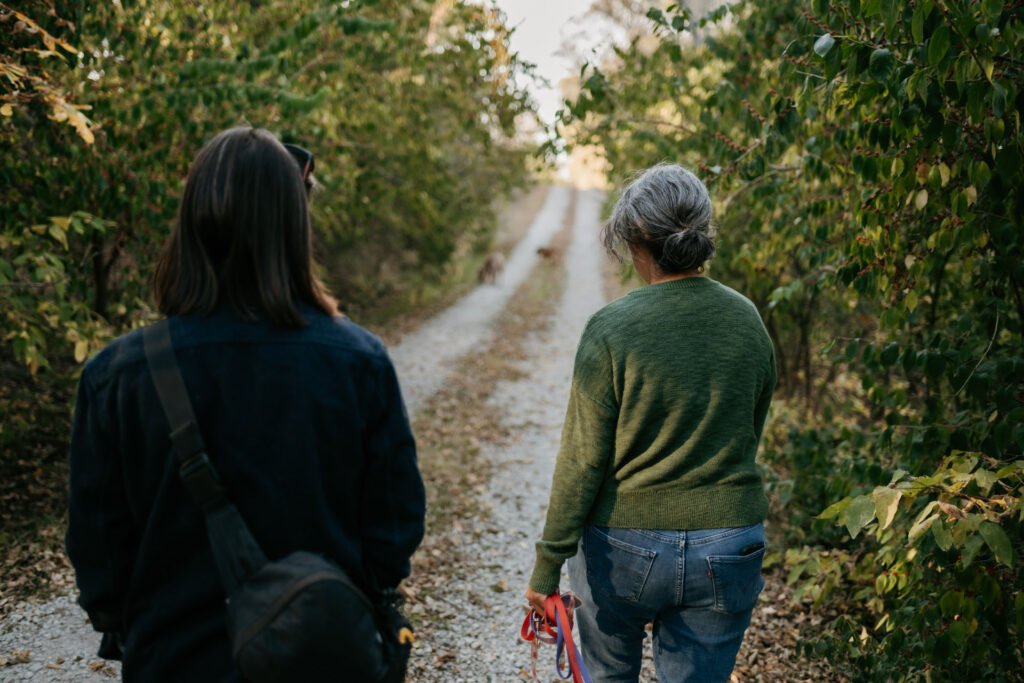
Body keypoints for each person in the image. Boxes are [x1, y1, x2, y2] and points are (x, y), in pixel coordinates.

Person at [66, 126, 426, 682]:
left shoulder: (118, 375)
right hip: (322, 658)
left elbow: (99, 559)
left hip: (173, 661)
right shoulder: (357, 361)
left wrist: (141, 623)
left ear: (190, 222)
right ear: (294, 225)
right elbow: (394, 529)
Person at [525, 163, 776, 682]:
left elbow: (581, 460)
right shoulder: (747, 320)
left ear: (635, 239)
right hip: (726, 546)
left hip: (622, 552)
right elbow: (750, 426)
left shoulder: (611, 329)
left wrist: (548, 566)